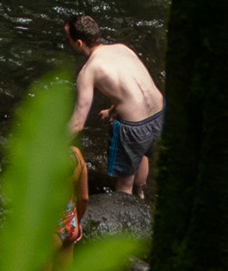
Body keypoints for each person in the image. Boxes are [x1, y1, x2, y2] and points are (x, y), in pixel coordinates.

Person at [64, 14, 164, 198]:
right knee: (142, 154)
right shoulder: (122, 48)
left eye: (68, 39)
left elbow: (78, 124)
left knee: (123, 186)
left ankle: (127, 209)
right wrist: (112, 111)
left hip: (135, 126)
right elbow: (134, 88)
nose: (67, 42)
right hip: (159, 112)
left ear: (78, 43)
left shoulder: (89, 71)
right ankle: (140, 194)